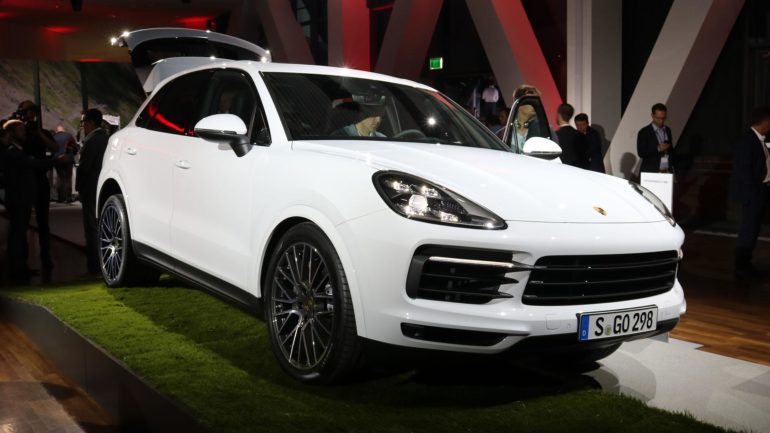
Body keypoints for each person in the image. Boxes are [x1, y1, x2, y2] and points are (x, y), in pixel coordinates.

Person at [2, 119, 58, 282]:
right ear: (12, 133)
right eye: (21, 130)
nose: (25, 133)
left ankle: (20, 267)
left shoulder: (16, 151)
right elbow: (32, 164)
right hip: (19, 197)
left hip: (21, 197)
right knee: (18, 234)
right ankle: (17, 270)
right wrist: (57, 161)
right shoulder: (12, 152)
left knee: (19, 233)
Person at [728, 107, 770, 280]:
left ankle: (746, 265)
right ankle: (742, 268)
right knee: (748, 230)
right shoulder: (748, 140)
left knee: (753, 229)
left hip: (760, 191)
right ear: (764, 122)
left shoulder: (759, 140)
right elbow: (744, 171)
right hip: (753, 194)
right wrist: (754, 194)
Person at [16, 100, 58, 273]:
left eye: (33, 111)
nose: (31, 114)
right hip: (23, 181)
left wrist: (39, 133)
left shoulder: (42, 132)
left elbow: (55, 148)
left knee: (43, 222)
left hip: (40, 180)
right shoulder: (18, 132)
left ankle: (46, 257)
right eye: (27, 111)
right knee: (22, 222)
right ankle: (22, 261)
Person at [76, 108, 109, 275]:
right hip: (100, 187)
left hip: (90, 188)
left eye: (83, 123)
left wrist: (79, 188)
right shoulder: (105, 138)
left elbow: (84, 168)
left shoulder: (92, 140)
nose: (82, 127)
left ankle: (95, 266)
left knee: (91, 228)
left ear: (90, 122)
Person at [637, 103, 675, 173]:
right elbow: (641, 153)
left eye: (663, 118)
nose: (661, 121)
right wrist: (658, 149)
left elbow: (671, 150)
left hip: (666, 170)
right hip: (651, 171)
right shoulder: (644, 132)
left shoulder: (668, 130)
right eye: (658, 118)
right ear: (652, 115)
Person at [53, 125, 78, 203]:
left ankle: (60, 198)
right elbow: (75, 147)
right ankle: (68, 198)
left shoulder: (54, 137)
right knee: (68, 178)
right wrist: (72, 154)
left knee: (60, 178)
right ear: (63, 130)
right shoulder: (69, 135)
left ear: (57, 130)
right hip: (68, 159)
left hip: (58, 159)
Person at [555, 103, 580, 167]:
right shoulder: (579, 134)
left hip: (560, 169)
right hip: (575, 169)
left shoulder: (556, 135)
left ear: (559, 115)